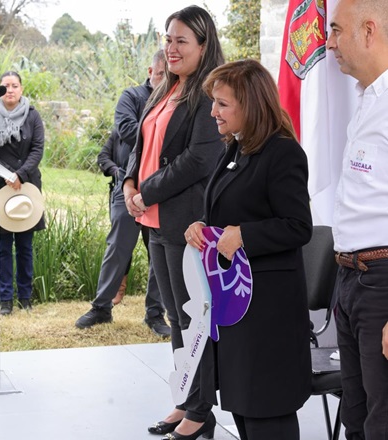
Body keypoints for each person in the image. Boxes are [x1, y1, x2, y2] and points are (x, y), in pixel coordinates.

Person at [184, 59, 313, 440]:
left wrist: (245, 236)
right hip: (237, 309)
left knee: (265, 414)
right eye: (214, 102)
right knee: (244, 409)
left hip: (267, 314)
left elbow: (298, 226)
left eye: (222, 104)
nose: (213, 112)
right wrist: (203, 229)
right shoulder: (235, 149)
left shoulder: (283, 153)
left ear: (250, 105)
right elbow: (228, 213)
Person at [122, 6, 225, 439]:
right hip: (156, 221)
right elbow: (140, 140)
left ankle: (201, 411)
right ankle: (184, 399)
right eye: (168, 38)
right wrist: (129, 183)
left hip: (186, 221)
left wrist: (147, 191)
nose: (172, 47)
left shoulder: (208, 93)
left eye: (182, 40)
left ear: (204, 45)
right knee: (175, 315)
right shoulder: (165, 87)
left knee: (192, 316)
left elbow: (200, 158)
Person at [75, 50, 171, 337]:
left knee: (159, 252)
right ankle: (101, 307)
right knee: (118, 247)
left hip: (164, 186)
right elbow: (126, 129)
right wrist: (161, 136)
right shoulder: (131, 96)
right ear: (150, 70)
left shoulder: (178, 98)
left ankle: (155, 314)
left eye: (171, 76)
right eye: (161, 73)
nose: (165, 79)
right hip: (128, 185)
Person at [326, 0, 388, 437]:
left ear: (369, 31)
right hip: (351, 279)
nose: (329, 44)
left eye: (336, 31)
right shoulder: (369, 100)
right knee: (356, 418)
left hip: (383, 281)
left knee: (382, 420)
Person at [0, 71, 45, 315]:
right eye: (5, 86)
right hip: (0, 189)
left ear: (21, 88)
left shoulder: (33, 115)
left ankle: (25, 298)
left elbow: (38, 148)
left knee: (25, 247)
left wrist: (20, 175)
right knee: (3, 248)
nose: (10, 90)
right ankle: (5, 299)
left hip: (26, 188)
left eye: (14, 85)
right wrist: (7, 174)